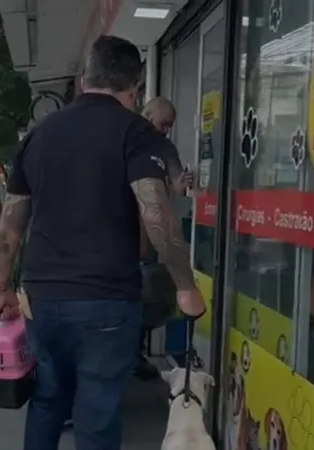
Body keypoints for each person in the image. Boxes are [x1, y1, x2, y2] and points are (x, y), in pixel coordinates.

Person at [0, 35, 206, 450]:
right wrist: (185, 285)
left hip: (43, 299)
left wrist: (2, 288)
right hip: (105, 300)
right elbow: (157, 213)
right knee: (97, 410)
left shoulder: (40, 134)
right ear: (134, 88)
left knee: (49, 400)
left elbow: (10, 225)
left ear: (84, 78)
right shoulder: (137, 133)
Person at [133, 96, 193, 380]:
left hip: (148, 238)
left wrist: (184, 183)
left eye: (170, 126)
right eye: (163, 124)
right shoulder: (127, 136)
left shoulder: (165, 147)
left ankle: (134, 356)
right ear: (146, 114)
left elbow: (178, 186)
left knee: (145, 298)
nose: (166, 130)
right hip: (121, 234)